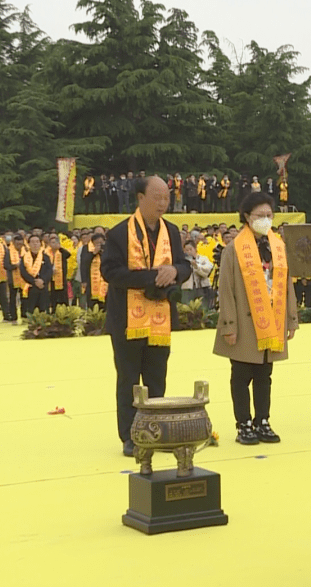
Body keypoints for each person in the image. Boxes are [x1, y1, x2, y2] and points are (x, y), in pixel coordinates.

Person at [101, 175, 191, 457]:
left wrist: (175, 272)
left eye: (167, 198)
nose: (163, 203)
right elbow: (111, 273)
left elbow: (184, 266)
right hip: (127, 320)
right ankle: (130, 435)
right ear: (140, 198)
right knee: (128, 379)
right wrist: (153, 276)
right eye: (157, 198)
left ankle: (155, 429)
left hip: (160, 318)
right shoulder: (118, 234)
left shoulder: (172, 232)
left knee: (156, 377)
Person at [213, 192, 298, 445]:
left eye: (269, 215)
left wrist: (291, 320)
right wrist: (229, 324)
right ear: (247, 217)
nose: (265, 220)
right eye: (260, 215)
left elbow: (287, 286)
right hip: (244, 322)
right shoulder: (234, 249)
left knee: (265, 375)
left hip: (271, 320)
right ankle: (244, 424)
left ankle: (263, 420)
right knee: (241, 375)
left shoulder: (278, 247)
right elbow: (225, 290)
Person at [19, 234, 52, 316]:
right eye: (32, 242)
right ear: (29, 244)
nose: (35, 244)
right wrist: (34, 281)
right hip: (30, 286)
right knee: (30, 309)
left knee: (43, 309)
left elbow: (49, 271)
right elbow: (23, 272)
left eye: (37, 242)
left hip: (42, 286)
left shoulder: (46, 257)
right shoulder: (24, 257)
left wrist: (43, 280)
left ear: (40, 244)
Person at [46, 234, 72, 309]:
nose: (53, 244)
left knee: (63, 296)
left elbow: (68, 255)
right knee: (53, 296)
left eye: (55, 242)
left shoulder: (61, 252)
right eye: (52, 242)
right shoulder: (46, 253)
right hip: (51, 278)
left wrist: (60, 248)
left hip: (61, 278)